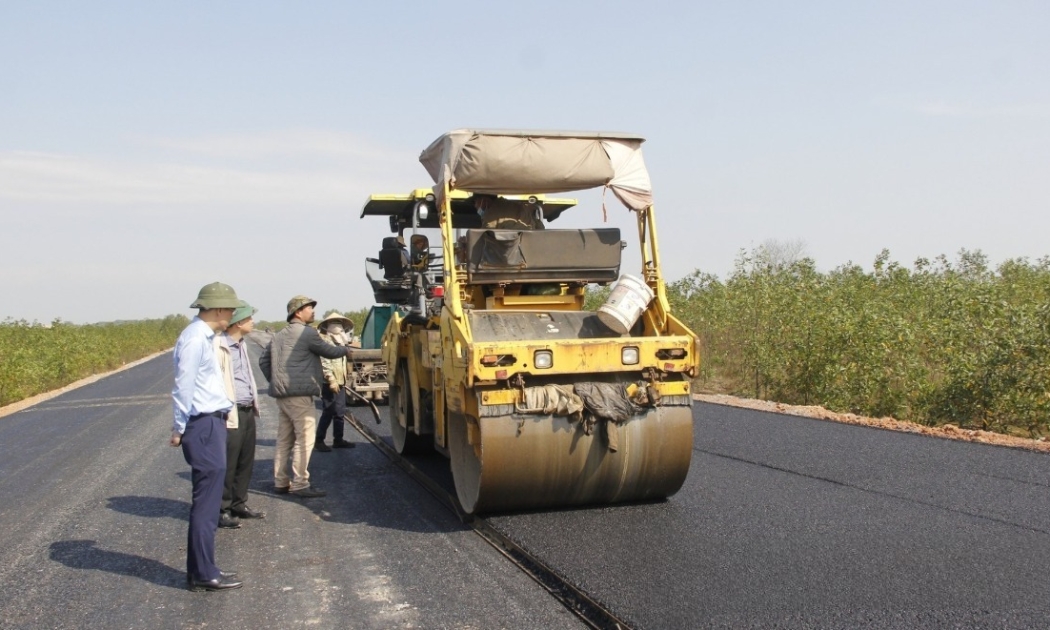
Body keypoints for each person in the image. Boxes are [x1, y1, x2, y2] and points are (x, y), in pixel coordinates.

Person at [171, 281, 244, 592]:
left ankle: (200, 569)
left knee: (207, 502)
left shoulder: (203, 337)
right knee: (206, 505)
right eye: (229, 309)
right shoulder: (194, 340)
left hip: (209, 422)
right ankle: (204, 573)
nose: (231, 314)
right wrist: (178, 427)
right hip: (202, 425)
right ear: (216, 309)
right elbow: (183, 386)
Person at [259, 295, 357, 499]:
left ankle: (280, 481)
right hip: (301, 396)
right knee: (305, 439)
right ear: (297, 312)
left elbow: (263, 361)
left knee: (284, 439)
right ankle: (300, 484)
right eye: (309, 308)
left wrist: (277, 381)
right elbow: (328, 351)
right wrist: (346, 350)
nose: (313, 312)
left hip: (283, 396)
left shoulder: (278, 335)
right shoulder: (306, 333)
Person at [214, 300, 265, 529]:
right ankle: (222, 510)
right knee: (229, 462)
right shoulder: (219, 346)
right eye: (249, 318)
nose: (253, 322)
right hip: (230, 412)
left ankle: (239, 504)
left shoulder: (241, 344)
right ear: (238, 322)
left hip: (246, 409)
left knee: (245, 460)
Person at [315, 311, 357, 452]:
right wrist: (330, 379)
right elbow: (325, 361)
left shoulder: (341, 341)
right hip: (329, 382)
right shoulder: (325, 341)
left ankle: (338, 439)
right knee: (329, 410)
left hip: (341, 380)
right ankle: (319, 440)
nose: (337, 326)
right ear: (328, 326)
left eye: (339, 324)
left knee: (340, 411)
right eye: (334, 324)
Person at [474, 193, 545, 230]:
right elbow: (540, 227)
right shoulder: (518, 206)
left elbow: (484, 239)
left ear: (484, 201)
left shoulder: (491, 215)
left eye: (475, 202)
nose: (475, 206)